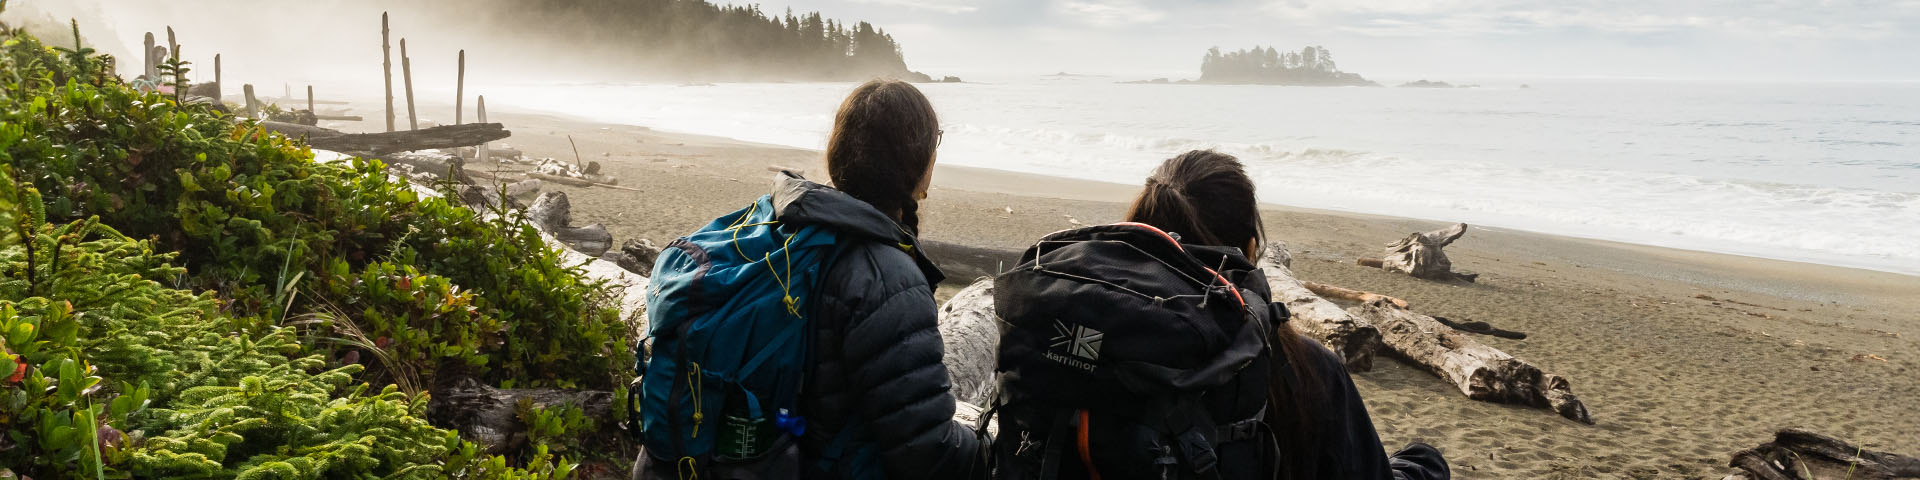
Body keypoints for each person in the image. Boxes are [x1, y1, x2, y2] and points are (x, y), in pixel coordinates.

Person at [635, 79, 981, 480]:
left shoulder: (772, 222)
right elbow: (926, 449)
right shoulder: (886, 277)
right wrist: (991, 448)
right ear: (917, 161)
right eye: (935, 141)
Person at [1122, 150, 1450, 480]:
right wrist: (1424, 465)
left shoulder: (1084, 329)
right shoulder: (1304, 369)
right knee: (1424, 461)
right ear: (1251, 250)